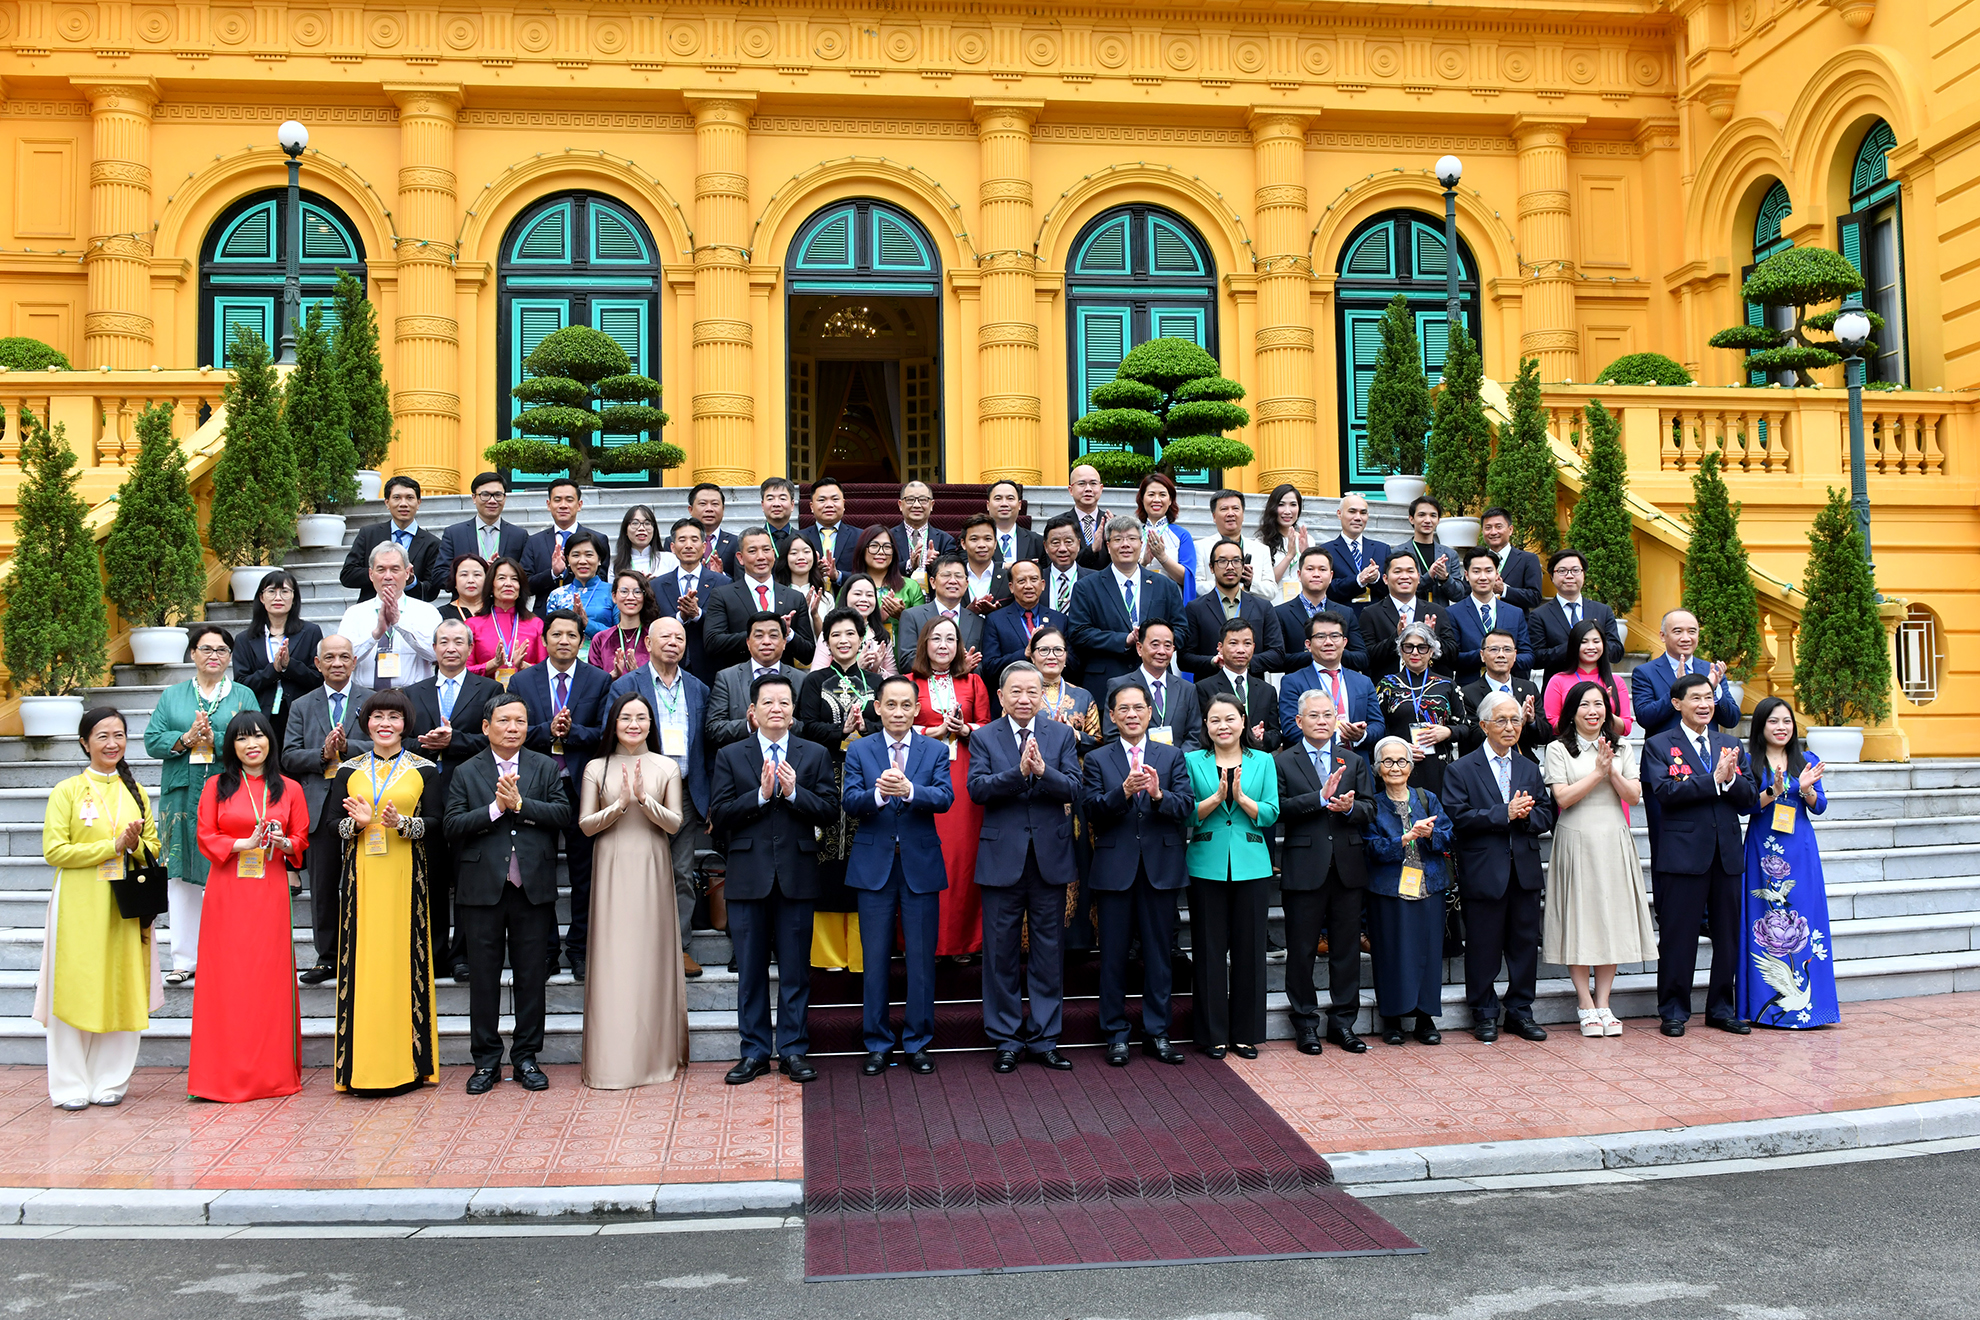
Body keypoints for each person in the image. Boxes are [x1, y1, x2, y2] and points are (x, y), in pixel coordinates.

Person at [708, 673, 837, 1084]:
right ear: (753, 710)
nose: (776, 708)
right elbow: (721, 814)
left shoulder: (814, 754)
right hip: (748, 876)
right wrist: (761, 796)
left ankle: (794, 1050)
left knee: (796, 970)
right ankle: (755, 1052)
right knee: (750, 969)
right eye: (768, 702)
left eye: (784, 702)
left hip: (797, 875)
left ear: (793, 711)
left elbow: (829, 812)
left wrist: (797, 792)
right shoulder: (731, 755)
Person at [445, 691, 572, 1094]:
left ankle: (526, 1058)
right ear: (486, 727)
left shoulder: (544, 766)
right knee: (483, 979)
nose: (512, 727)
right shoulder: (466, 771)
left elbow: (563, 814)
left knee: (531, 977)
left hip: (532, 887)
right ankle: (485, 1062)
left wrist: (520, 804)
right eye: (504, 721)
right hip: (481, 890)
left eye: (520, 720)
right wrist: (495, 810)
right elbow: (451, 825)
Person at [38, 709, 160, 1110]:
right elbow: (55, 851)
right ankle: (70, 1084)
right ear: (84, 742)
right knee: (74, 986)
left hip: (123, 905)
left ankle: (111, 1079)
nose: (112, 743)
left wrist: (136, 844)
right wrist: (112, 846)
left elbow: (155, 849)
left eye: (120, 735)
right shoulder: (67, 791)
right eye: (103, 735)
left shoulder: (136, 791)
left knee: (122, 985)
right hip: (78, 903)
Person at [189, 711, 310, 1102]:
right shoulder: (216, 786)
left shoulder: (289, 788)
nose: (252, 744)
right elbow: (206, 834)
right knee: (226, 978)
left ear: (271, 741)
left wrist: (280, 842)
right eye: (242, 738)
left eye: (259, 736)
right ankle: (219, 1076)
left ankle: (270, 1075)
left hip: (270, 890)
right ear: (232, 746)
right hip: (227, 889)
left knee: (266, 976)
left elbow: (300, 839)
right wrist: (242, 844)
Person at [968, 660, 1081, 1072]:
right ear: (1000, 696)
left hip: (1049, 858)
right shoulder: (983, 737)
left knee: (1048, 951)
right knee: (999, 952)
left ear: (1043, 696)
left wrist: (1043, 772)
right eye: (1015, 691)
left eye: (1032, 692)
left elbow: (1074, 787)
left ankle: (1045, 1038)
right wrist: (1017, 774)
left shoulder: (1062, 734)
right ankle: (1005, 1038)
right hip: (1002, 859)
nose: (1024, 699)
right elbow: (977, 789)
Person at [330, 691, 443, 1094]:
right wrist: (357, 826)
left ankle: (410, 1066)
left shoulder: (425, 769)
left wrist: (404, 824)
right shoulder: (348, 769)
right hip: (362, 878)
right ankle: (361, 1068)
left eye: (394, 717)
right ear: (367, 722)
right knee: (364, 964)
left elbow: (438, 822)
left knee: (403, 961)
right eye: (378, 716)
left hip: (405, 876)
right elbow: (331, 827)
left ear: (405, 724)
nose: (385, 724)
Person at [842, 674, 953, 1074]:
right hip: (874, 868)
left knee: (921, 959)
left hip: (920, 866)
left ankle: (918, 1042)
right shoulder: (859, 749)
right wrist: (879, 794)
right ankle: (877, 1043)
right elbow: (850, 801)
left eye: (907, 705)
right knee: (875, 960)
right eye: (891, 704)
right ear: (878, 707)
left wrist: (909, 791)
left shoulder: (935, 749)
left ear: (917, 708)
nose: (899, 712)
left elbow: (945, 798)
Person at [579, 692, 687, 1088]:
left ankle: (654, 1056)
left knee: (650, 957)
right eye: (626, 717)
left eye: (642, 717)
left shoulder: (666, 767)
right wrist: (621, 804)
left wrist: (644, 800)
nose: (634, 724)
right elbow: (587, 825)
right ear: (614, 722)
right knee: (613, 961)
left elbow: (674, 823)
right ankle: (611, 1060)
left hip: (651, 864)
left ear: (651, 724)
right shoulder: (596, 767)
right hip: (610, 863)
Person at [1644, 672, 1759, 1036]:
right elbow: (1665, 793)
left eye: (1709, 697)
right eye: (1696, 698)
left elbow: (1749, 799)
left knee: (1728, 936)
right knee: (1680, 935)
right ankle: (1674, 1011)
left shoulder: (1729, 741)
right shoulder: (1660, 744)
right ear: (1677, 703)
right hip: (1683, 855)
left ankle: (1722, 1008)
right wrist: (1713, 780)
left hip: (1725, 854)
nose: (1705, 705)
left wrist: (1730, 779)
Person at [1082, 682, 1191, 1066]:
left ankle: (1157, 1032)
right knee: (1112, 956)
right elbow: (1091, 810)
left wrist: (1160, 796)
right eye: (1123, 709)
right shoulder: (1097, 759)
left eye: (1138, 707)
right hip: (1114, 870)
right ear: (1111, 716)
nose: (1131, 714)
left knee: (1159, 956)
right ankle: (1115, 1033)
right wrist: (1122, 793)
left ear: (1149, 712)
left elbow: (1187, 807)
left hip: (1161, 868)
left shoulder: (1172, 756)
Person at [146, 623, 260, 986]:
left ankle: (226, 954)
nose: (214, 656)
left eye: (222, 650)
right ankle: (183, 959)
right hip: (181, 794)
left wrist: (219, 741)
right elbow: (151, 740)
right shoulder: (173, 695)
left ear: (231, 656)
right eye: (206, 649)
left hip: (228, 791)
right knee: (180, 877)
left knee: (227, 871)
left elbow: (258, 738)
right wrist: (185, 738)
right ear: (192, 654)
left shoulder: (243, 695)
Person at [1442, 691, 1558, 1043]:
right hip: (1483, 870)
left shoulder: (1528, 767)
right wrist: (1502, 813)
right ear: (1483, 725)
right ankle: (1485, 1012)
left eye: (1516, 721)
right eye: (1502, 721)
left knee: (1524, 945)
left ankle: (1520, 1012)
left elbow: (1546, 813)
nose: (1510, 727)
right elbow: (1457, 817)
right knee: (1483, 945)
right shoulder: (1461, 769)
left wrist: (1525, 816)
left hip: (1523, 871)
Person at [1542, 681, 1656, 1039]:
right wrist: (1596, 772)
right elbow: (1563, 798)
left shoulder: (1622, 746)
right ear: (1572, 711)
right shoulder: (1558, 748)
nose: (1593, 711)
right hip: (1576, 839)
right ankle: (1585, 1003)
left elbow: (1634, 796)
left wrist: (1613, 770)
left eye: (1600, 704)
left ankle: (1604, 1002)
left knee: (1611, 918)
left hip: (1613, 838)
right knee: (1580, 919)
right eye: (1585, 705)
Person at [609, 617, 712, 978]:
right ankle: (633, 947)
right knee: (636, 872)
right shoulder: (626, 685)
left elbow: (706, 747)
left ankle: (679, 947)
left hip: (682, 793)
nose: (673, 642)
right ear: (647, 643)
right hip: (638, 792)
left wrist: (707, 798)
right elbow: (613, 735)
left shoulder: (698, 688)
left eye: (680, 637)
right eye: (665, 635)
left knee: (681, 873)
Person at [1275, 689, 1378, 1054]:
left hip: (1347, 867)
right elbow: (1278, 809)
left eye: (1328, 715)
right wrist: (1319, 799)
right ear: (1299, 722)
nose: (1322, 721)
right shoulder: (1282, 761)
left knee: (1347, 950)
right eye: (1314, 715)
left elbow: (1370, 808)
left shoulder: (1352, 760)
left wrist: (1350, 808)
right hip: (1304, 867)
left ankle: (1343, 1023)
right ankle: (1305, 1023)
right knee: (1301, 949)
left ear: (1337, 720)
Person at [512, 610, 611, 979]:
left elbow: (605, 733)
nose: (564, 641)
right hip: (536, 787)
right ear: (545, 639)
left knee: (585, 873)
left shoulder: (598, 680)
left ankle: (581, 949)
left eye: (572, 635)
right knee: (538, 870)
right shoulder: (523, 681)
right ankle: (546, 949)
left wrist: (568, 733)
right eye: (557, 634)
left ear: (581, 640)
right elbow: (514, 730)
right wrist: (545, 729)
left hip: (581, 786)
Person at [1183, 692, 1280, 1058]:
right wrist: (1216, 798)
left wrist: (1241, 799)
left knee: (1249, 950)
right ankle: (1213, 1035)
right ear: (1205, 726)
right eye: (1214, 720)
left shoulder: (1263, 761)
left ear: (1243, 721)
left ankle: (1246, 1033)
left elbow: (1271, 812)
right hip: (1206, 862)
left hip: (1252, 863)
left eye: (1229, 719)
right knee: (1208, 951)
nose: (1222, 726)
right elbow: (1185, 813)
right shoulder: (1193, 761)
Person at [404, 619, 501, 983]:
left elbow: (495, 742)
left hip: (469, 794)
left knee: (465, 878)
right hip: (424, 796)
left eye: (458, 642)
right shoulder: (414, 692)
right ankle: (431, 952)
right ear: (434, 648)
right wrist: (428, 742)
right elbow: (402, 741)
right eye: (443, 641)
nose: (450, 648)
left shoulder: (489, 688)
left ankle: (461, 954)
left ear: (470, 647)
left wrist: (454, 740)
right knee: (429, 877)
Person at [1741, 698, 1838, 1030]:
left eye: (1786, 721)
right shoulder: (1750, 760)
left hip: (1800, 851)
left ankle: (1812, 1009)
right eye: (1773, 721)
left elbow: (1820, 806)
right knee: (1764, 923)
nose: (1781, 727)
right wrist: (1773, 790)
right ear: (1761, 727)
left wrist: (1807, 790)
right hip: (1762, 851)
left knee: (1804, 922)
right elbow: (1746, 807)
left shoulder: (1807, 760)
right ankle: (1764, 1009)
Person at [279, 635, 371, 985]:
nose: (337, 663)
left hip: (362, 803)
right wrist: (323, 754)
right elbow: (288, 754)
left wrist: (349, 749)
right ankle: (328, 956)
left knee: (364, 882)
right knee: (323, 885)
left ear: (354, 661)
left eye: (344, 656)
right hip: (317, 805)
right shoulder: (302, 705)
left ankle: (365, 951)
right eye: (329, 657)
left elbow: (387, 742)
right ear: (317, 664)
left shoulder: (370, 699)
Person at [798, 609, 880, 972]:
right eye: (835, 635)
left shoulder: (877, 681)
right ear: (826, 641)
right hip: (825, 773)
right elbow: (805, 727)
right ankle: (828, 954)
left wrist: (867, 726)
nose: (844, 640)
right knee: (826, 857)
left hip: (868, 776)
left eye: (850, 633)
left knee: (865, 858)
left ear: (861, 638)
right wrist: (842, 732)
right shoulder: (814, 681)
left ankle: (864, 954)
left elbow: (889, 722)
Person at [903, 615, 988, 956]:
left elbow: (988, 726)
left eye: (950, 639)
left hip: (964, 775)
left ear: (959, 646)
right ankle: (920, 940)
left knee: (962, 856)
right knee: (925, 853)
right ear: (924, 643)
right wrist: (932, 732)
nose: (943, 645)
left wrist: (965, 729)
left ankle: (962, 941)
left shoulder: (974, 683)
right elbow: (898, 727)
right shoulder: (909, 682)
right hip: (920, 774)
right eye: (936, 638)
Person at [1363, 735, 1454, 1046]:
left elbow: (1448, 834)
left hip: (1429, 886)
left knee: (1428, 953)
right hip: (1389, 889)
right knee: (1390, 953)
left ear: (1411, 765)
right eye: (1387, 762)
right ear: (1377, 768)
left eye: (1401, 761)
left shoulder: (1427, 797)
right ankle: (1392, 1017)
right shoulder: (1372, 805)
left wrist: (1429, 834)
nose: (1395, 767)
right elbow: (1371, 848)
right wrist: (1402, 840)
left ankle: (1425, 1017)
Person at [1068, 517, 1186, 693]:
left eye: (1131, 538)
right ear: (1108, 546)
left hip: (1156, 682)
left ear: (1141, 543)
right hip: (1105, 684)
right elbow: (1078, 634)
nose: (1125, 544)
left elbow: (1182, 631)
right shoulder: (1086, 586)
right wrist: (1124, 640)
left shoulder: (1165, 586)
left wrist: (1155, 643)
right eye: (1118, 539)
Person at [232, 570, 324, 751]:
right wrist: (273, 670)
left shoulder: (311, 632)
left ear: (294, 597)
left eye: (285, 591)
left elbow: (318, 678)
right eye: (271, 591)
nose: (278, 597)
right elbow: (242, 684)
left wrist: (290, 666)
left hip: (300, 714)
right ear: (261, 597)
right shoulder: (245, 639)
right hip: (261, 715)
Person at [1374, 622, 1468, 797]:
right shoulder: (1387, 684)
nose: (1415, 652)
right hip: (1398, 765)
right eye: (1408, 647)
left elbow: (1465, 727)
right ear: (1401, 650)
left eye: (1422, 647)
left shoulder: (1446, 684)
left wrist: (1447, 731)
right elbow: (1378, 727)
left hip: (1438, 766)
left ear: (1431, 651)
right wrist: (1399, 746)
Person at [705, 527, 818, 672]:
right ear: (740, 558)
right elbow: (712, 643)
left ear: (773, 553)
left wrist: (788, 634)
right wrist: (757, 634)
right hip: (741, 682)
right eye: (752, 551)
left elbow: (808, 654)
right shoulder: (723, 595)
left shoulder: (794, 597)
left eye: (766, 550)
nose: (761, 557)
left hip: (783, 683)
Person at [337, 540, 441, 691]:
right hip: (366, 697)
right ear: (371, 574)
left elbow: (436, 656)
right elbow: (342, 661)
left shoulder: (426, 611)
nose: (388, 576)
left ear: (407, 573)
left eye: (395, 569)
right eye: (381, 570)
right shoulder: (354, 613)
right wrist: (375, 635)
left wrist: (400, 625)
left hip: (413, 695)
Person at [1630, 608, 1741, 741]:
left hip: (1706, 752)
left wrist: (1713, 689)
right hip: (1667, 753)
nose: (1686, 638)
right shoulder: (1645, 672)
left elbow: (1732, 720)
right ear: (1662, 636)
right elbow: (1644, 718)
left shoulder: (1711, 670)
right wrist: (1676, 688)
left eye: (1692, 632)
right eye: (1678, 631)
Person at [1278, 613, 1383, 752]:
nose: (1328, 642)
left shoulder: (1363, 681)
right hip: (1312, 764)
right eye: (1320, 637)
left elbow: (1378, 725)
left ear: (1344, 642)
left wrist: (1362, 735)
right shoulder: (1293, 682)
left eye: (1335, 636)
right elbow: (1291, 729)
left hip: (1357, 764)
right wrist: (1339, 736)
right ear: (1308, 645)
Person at [1181, 539, 1283, 680]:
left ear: (1243, 565)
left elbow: (1277, 654)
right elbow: (1184, 658)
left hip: (1253, 691)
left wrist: (1244, 662)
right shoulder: (1195, 608)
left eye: (1236, 561)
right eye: (1222, 561)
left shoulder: (1263, 607)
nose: (1230, 567)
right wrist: (1214, 662)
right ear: (1211, 567)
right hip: (1210, 692)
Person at [707, 612, 809, 748]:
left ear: (784, 642)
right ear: (748, 642)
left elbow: (809, 729)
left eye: (773, 636)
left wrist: (787, 722)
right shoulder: (727, 677)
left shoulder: (801, 679)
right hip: (741, 761)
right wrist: (748, 725)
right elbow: (713, 729)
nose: (766, 641)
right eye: (759, 636)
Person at [341, 474, 444, 603]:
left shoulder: (432, 543)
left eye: (410, 498)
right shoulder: (368, 534)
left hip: (411, 614)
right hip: (372, 611)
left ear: (418, 503)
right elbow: (347, 576)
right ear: (387, 503)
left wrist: (411, 581)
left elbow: (431, 592)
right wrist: (380, 573)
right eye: (396, 498)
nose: (403, 504)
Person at [652, 519, 730, 687]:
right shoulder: (657, 585)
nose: (688, 545)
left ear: (703, 547)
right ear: (672, 547)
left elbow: (725, 626)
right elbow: (653, 625)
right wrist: (680, 617)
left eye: (694, 540)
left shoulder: (723, 583)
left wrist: (698, 615)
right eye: (682, 540)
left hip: (710, 667)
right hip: (668, 667)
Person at [1100, 620, 1200, 749]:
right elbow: (1112, 735)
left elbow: (1194, 736)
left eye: (1168, 646)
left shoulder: (1187, 689)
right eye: (1155, 645)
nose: (1162, 651)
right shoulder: (1119, 685)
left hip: (1179, 765)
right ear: (1139, 648)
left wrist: (1176, 762)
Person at [1359, 552, 1457, 678]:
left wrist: (1432, 639)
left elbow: (1453, 655)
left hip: (1432, 688)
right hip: (1390, 688)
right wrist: (1397, 636)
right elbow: (1366, 658)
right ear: (1385, 579)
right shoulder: (1371, 613)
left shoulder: (1437, 611)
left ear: (1418, 577)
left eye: (1410, 571)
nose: (1404, 576)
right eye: (1397, 571)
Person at [1530, 548, 1624, 680]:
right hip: (1559, 688)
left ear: (1584, 574)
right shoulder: (1540, 615)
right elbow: (1536, 658)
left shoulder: (1603, 611)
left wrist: (1593, 647)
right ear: (1551, 576)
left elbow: (1617, 652)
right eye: (1562, 571)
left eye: (1575, 570)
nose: (1569, 576)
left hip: (1598, 686)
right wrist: (1573, 647)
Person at [521, 478, 612, 612]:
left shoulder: (598, 539)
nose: (563, 505)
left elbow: (601, 580)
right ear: (548, 504)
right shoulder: (534, 542)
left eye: (569, 500)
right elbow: (525, 586)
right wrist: (553, 573)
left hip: (588, 613)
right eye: (557, 500)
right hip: (545, 618)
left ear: (579, 505)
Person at [1461, 629, 1553, 760]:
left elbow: (1545, 737)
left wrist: (1532, 720)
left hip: (1523, 763)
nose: (1501, 655)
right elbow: (1473, 738)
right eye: (1494, 650)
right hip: (1483, 764)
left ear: (1515, 655)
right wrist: (1517, 723)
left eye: (1507, 650)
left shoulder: (1528, 688)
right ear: (1482, 655)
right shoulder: (1468, 693)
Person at [1448, 547, 1533, 685]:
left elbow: (1528, 657)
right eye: (1476, 571)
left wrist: (1504, 658)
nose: (1483, 577)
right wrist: (1486, 654)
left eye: (1488, 571)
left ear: (1497, 574)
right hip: (1469, 691)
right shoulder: (1453, 613)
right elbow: (1452, 658)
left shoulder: (1515, 613)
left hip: (1508, 690)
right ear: (1467, 575)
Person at [1278, 548, 1369, 675]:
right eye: (1310, 569)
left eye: (1322, 569)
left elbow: (1362, 659)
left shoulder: (1346, 613)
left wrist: (1334, 651)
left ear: (1331, 576)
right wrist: (1317, 653)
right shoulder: (1280, 613)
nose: (1316, 574)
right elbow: (1277, 660)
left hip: (1338, 686)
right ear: (1299, 574)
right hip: (1299, 687)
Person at [1195, 620, 1281, 753]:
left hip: (1257, 761)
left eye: (1247, 643)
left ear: (1253, 647)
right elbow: (1200, 733)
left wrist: (1262, 737)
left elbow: (1275, 735)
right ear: (1220, 647)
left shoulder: (1267, 690)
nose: (1241, 650)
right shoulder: (1203, 688)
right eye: (1233, 643)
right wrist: (1244, 737)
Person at [982, 559, 1066, 694]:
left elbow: (1074, 663)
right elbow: (990, 667)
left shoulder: (1059, 619)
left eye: (1034, 579)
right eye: (1021, 581)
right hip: (1012, 695)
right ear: (1011, 587)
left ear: (1043, 584)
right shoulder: (995, 619)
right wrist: (1025, 653)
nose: (1028, 586)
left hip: (1053, 695)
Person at [1542, 619, 1634, 737]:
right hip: (1570, 749)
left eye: (1596, 641)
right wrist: (1575, 711)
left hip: (1608, 748)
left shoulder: (1617, 682)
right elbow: (1551, 727)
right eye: (1584, 642)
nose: (1591, 647)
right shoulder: (1558, 681)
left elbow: (1626, 728)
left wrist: (1606, 710)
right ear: (1574, 645)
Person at [896, 555, 984, 673]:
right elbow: (907, 661)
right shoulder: (912, 616)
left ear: (966, 583)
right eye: (946, 575)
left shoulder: (978, 621)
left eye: (958, 576)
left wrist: (968, 667)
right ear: (933, 582)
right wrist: (954, 666)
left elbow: (983, 665)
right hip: (924, 688)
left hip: (965, 688)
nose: (953, 581)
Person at [466, 555, 545, 683]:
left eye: (514, 579)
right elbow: (463, 671)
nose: (508, 583)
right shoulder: (472, 625)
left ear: (521, 587)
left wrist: (523, 666)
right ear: (491, 586)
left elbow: (546, 670)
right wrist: (493, 664)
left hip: (526, 694)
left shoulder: (536, 624)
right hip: (484, 696)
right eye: (501, 578)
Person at [1448, 507, 1543, 611]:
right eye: (1488, 528)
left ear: (1510, 530)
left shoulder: (1528, 559)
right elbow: (1464, 595)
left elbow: (1535, 597)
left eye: (1498, 527)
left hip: (1513, 624)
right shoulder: (1475, 558)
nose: (1493, 532)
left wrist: (1504, 590)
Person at [437, 472, 528, 579]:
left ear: (505, 498)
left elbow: (526, 574)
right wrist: (474, 575)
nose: (492, 501)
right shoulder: (454, 534)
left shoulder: (519, 535)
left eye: (498, 495)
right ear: (474, 498)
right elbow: (439, 574)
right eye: (485, 495)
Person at [1320, 493, 1390, 617]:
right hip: (1340, 618)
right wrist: (1358, 580)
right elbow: (1326, 588)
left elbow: (1391, 588)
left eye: (1363, 513)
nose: (1358, 517)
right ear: (1339, 514)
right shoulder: (1325, 550)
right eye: (1352, 511)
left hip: (1377, 619)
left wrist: (1377, 578)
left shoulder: (1382, 549)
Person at [1198, 489, 1276, 602]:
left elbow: (1272, 591)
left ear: (1243, 514)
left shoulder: (1261, 549)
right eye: (1224, 509)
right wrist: (1228, 582)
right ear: (1214, 516)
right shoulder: (1200, 547)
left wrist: (1250, 582)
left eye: (1235, 508)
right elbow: (1196, 587)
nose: (1230, 513)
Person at [1030, 626, 1099, 744]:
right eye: (1044, 650)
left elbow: (1098, 742)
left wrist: (1075, 735)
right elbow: (1007, 736)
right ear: (1032, 657)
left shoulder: (1083, 696)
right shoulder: (1019, 695)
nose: (1051, 656)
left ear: (1066, 656)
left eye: (1058, 650)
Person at [1135, 471, 1195, 601]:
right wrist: (1144, 562)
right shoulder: (1133, 533)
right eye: (1151, 494)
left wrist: (1162, 557)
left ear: (1170, 500)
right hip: (1138, 600)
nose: (1156, 500)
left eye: (1162, 495)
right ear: (1142, 499)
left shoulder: (1182, 535)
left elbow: (1188, 579)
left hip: (1170, 601)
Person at [543, 530, 615, 639]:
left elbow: (621, 634)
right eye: (576, 555)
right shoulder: (556, 595)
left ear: (599, 559)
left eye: (589, 555)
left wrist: (587, 623)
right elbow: (551, 635)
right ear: (568, 559)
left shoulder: (614, 593)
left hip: (603, 654)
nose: (582, 561)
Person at [589, 571, 658, 679]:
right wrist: (612, 676)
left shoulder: (654, 637)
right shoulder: (600, 639)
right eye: (624, 591)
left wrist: (639, 675)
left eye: (637, 592)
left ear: (644, 596)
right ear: (614, 596)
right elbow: (593, 683)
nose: (630, 597)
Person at [851, 523, 924, 623]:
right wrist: (876, 620)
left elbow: (922, 628)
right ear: (862, 549)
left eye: (887, 547)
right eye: (874, 546)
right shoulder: (850, 587)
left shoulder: (911, 587)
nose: (881, 552)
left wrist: (902, 616)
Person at [889, 480, 957, 586]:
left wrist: (934, 565)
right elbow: (883, 569)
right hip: (897, 598)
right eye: (910, 500)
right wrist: (909, 565)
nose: (917, 505)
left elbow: (952, 573)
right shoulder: (888, 537)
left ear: (932, 505)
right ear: (900, 505)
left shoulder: (946, 540)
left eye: (923, 500)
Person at [833, 573, 898, 679]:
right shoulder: (833, 633)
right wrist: (855, 668)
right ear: (846, 596)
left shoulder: (880, 635)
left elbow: (894, 680)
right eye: (858, 594)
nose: (864, 599)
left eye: (869, 595)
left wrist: (877, 670)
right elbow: (818, 677)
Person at [776, 534, 834, 649]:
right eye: (794, 553)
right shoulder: (776, 594)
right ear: (785, 558)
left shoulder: (826, 597)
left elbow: (828, 641)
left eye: (806, 552)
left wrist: (814, 614)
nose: (801, 557)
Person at [799, 475, 862, 579]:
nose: (829, 505)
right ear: (811, 507)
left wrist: (838, 576)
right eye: (822, 500)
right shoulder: (799, 537)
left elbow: (867, 574)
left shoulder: (860, 536)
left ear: (844, 504)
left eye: (835, 499)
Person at [1259, 482, 1312, 601]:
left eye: (1293, 505)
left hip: (1302, 605)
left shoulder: (1306, 540)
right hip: (1275, 605)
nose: (1287, 511)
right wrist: (1289, 556)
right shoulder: (1261, 542)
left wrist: (1306, 555)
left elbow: (1313, 579)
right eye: (1281, 505)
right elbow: (1266, 584)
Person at [1399, 495, 1462, 593]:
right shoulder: (1399, 553)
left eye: (1433, 515)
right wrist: (1429, 576)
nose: (1428, 520)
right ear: (1411, 519)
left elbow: (1458, 594)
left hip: (1440, 608)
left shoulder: (1449, 554)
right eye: (1421, 515)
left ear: (1438, 520)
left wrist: (1445, 578)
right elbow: (1398, 590)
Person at [1039, 512, 1092, 616]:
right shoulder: (1036, 580)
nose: (1062, 549)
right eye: (1055, 543)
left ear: (1078, 544)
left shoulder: (1094, 580)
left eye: (1068, 542)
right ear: (1046, 547)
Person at [986, 478, 1045, 571]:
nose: (1004, 504)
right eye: (998, 499)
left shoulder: (1037, 541)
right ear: (988, 505)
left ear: (1020, 505)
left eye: (1010, 498)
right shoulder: (974, 540)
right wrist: (1003, 566)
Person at [687, 481, 740, 576]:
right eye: (703, 504)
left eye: (715, 504)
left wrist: (721, 575)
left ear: (723, 509)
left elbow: (741, 580)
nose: (709, 509)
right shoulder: (676, 541)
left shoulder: (736, 542)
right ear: (690, 509)